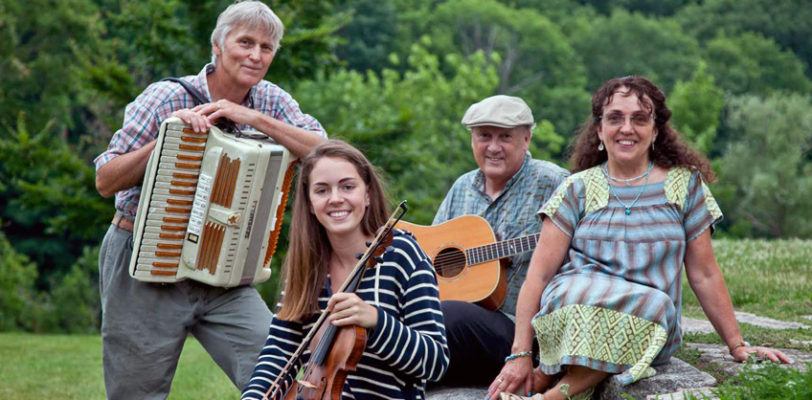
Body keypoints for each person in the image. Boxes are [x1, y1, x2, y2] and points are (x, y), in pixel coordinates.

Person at [489, 76, 792, 400]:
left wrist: (737, 344)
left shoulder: (685, 187)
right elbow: (540, 274)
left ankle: (550, 387)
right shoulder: (577, 188)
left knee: (654, 305)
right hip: (577, 304)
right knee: (575, 294)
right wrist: (520, 352)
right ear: (600, 130)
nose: (626, 128)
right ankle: (549, 378)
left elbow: (704, 273)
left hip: (645, 320)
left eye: (639, 118)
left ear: (656, 130)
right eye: (615, 118)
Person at [93, 2, 326, 398]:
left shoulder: (270, 101)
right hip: (146, 264)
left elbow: (326, 150)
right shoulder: (167, 96)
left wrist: (252, 117)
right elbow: (105, 179)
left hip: (227, 268)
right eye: (245, 42)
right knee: (136, 393)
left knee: (282, 374)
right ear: (218, 45)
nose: (255, 55)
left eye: (266, 48)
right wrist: (167, 139)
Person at [241, 140, 449, 400]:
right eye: (322, 190)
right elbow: (279, 354)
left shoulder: (403, 254)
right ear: (309, 202)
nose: (336, 199)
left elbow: (435, 362)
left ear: (368, 194)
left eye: (347, 187)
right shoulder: (307, 265)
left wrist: (375, 320)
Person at [431, 95, 569, 386]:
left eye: (505, 137)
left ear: (526, 139)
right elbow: (430, 253)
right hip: (464, 329)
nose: (493, 147)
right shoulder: (462, 187)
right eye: (484, 136)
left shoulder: (554, 183)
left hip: (522, 334)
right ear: (472, 139)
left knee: (447, 316)